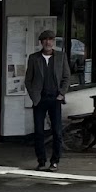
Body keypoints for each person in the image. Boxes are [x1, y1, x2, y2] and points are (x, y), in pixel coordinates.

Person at [25, 29, 71, 171]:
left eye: (50, 39)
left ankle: (55, 161)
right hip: (40, 99)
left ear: (53, 42)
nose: (48, 42)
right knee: (39, 131)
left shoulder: (61, 57)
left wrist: (61, 94)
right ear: (41, 42)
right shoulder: (34, 58)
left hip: (55, 98)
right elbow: (28, 80)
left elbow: (66, 77)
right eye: (45, 40)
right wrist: (34, 97)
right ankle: (41, 160)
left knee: (57, 131)